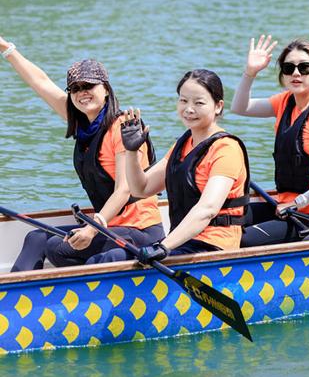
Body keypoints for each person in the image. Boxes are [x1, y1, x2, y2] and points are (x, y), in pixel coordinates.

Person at [0, 36, 163, 271]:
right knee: (37, 238)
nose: (82, 93)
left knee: (59, 247)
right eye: (75, 89)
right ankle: (12, 292)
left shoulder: (123, 128)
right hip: (110, 227)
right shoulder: (82, 125)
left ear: (106, 89)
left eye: (88, 86)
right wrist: (6, 48)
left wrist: (93, 228)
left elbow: (124, 190)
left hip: (140, 229)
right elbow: (41, 83)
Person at [90, 69, 250, 264]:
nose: (189, 109)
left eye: (199, 103)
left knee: (112, 259)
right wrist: (131, 152)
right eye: (183, 101)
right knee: (105, 258)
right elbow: (141, 189)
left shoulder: (227, 149)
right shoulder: (183, 144)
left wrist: (163, 247)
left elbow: (207, 209)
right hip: (180, 242)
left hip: (214, 247)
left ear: (218, 106)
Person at [231, 35, 309, 245]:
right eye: (288, 68)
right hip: (284, 205)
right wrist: (250, 72)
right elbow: (240, 107)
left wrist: (297, 203)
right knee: (226, 218)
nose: (296, 73)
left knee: (243, 240)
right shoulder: (284, 101)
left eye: (304, 67)